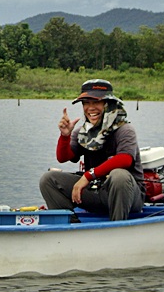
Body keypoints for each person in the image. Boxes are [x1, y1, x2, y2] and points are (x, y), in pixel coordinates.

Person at [39, 78, 145, 221]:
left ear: (108, 104)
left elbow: (125, 159)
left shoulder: (124, 130)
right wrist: (65, 136)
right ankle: (70, 227)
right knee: (48, 179)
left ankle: (118, 228)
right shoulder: (83, 132)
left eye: (96, 102)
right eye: (86, 103)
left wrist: (88, 176)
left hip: (128, 195)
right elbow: (64, 157)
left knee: (119, 175)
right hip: (96, 191)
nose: (90, 108)